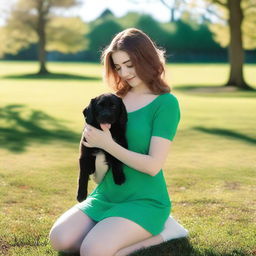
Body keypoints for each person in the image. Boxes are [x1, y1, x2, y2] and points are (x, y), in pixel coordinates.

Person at [49, 28, 188, 256]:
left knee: (92, 250)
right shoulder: (114, 101)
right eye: (118, 66)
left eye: (129, 64)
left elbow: (153, 166)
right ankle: (109, 232)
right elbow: (94, 151)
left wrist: (108, 144)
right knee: (60, 240)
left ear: (146, 59)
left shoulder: (166, 103)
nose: (124, 72)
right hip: (106, 195)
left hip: (145, 200)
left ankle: (165, 231)